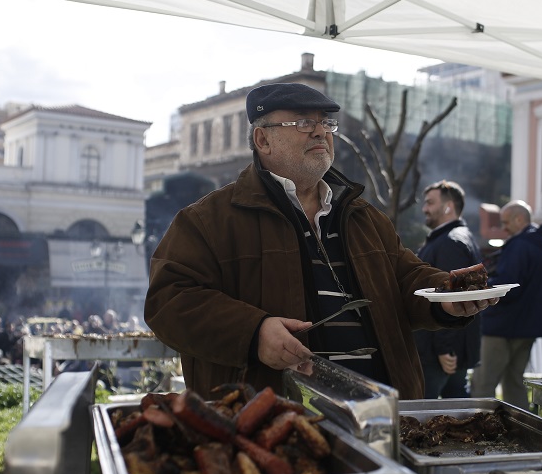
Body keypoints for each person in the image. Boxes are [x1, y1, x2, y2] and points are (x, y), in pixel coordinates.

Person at [144, 83, 495, 400]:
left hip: (381, 416)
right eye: (301, 123)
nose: (320, 132)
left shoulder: (364, 216)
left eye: (326, 124)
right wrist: (254, 332)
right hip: (273, 423)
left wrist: (445, 297)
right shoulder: (208, 220)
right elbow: (168, 301)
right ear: (262, 140)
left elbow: (406, 279)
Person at [470, 200, 542, 410]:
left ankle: (477, 429)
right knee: (514, 383)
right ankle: (521, 431)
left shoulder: (519, 246)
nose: (503, 228)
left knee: (483, 383)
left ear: (519, 219)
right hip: (528, 327)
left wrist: (483, 287)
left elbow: (508, 286)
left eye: (506, 222)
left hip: (502, 326)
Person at [414, 180, 483, 398]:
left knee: (425, 414)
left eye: (430, 203)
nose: (424, 208)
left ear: (448, 206)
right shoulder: (454, 238)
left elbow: (451, 297)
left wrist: (445, 348)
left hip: (440, 354)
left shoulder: (450, 243)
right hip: (445, 349)